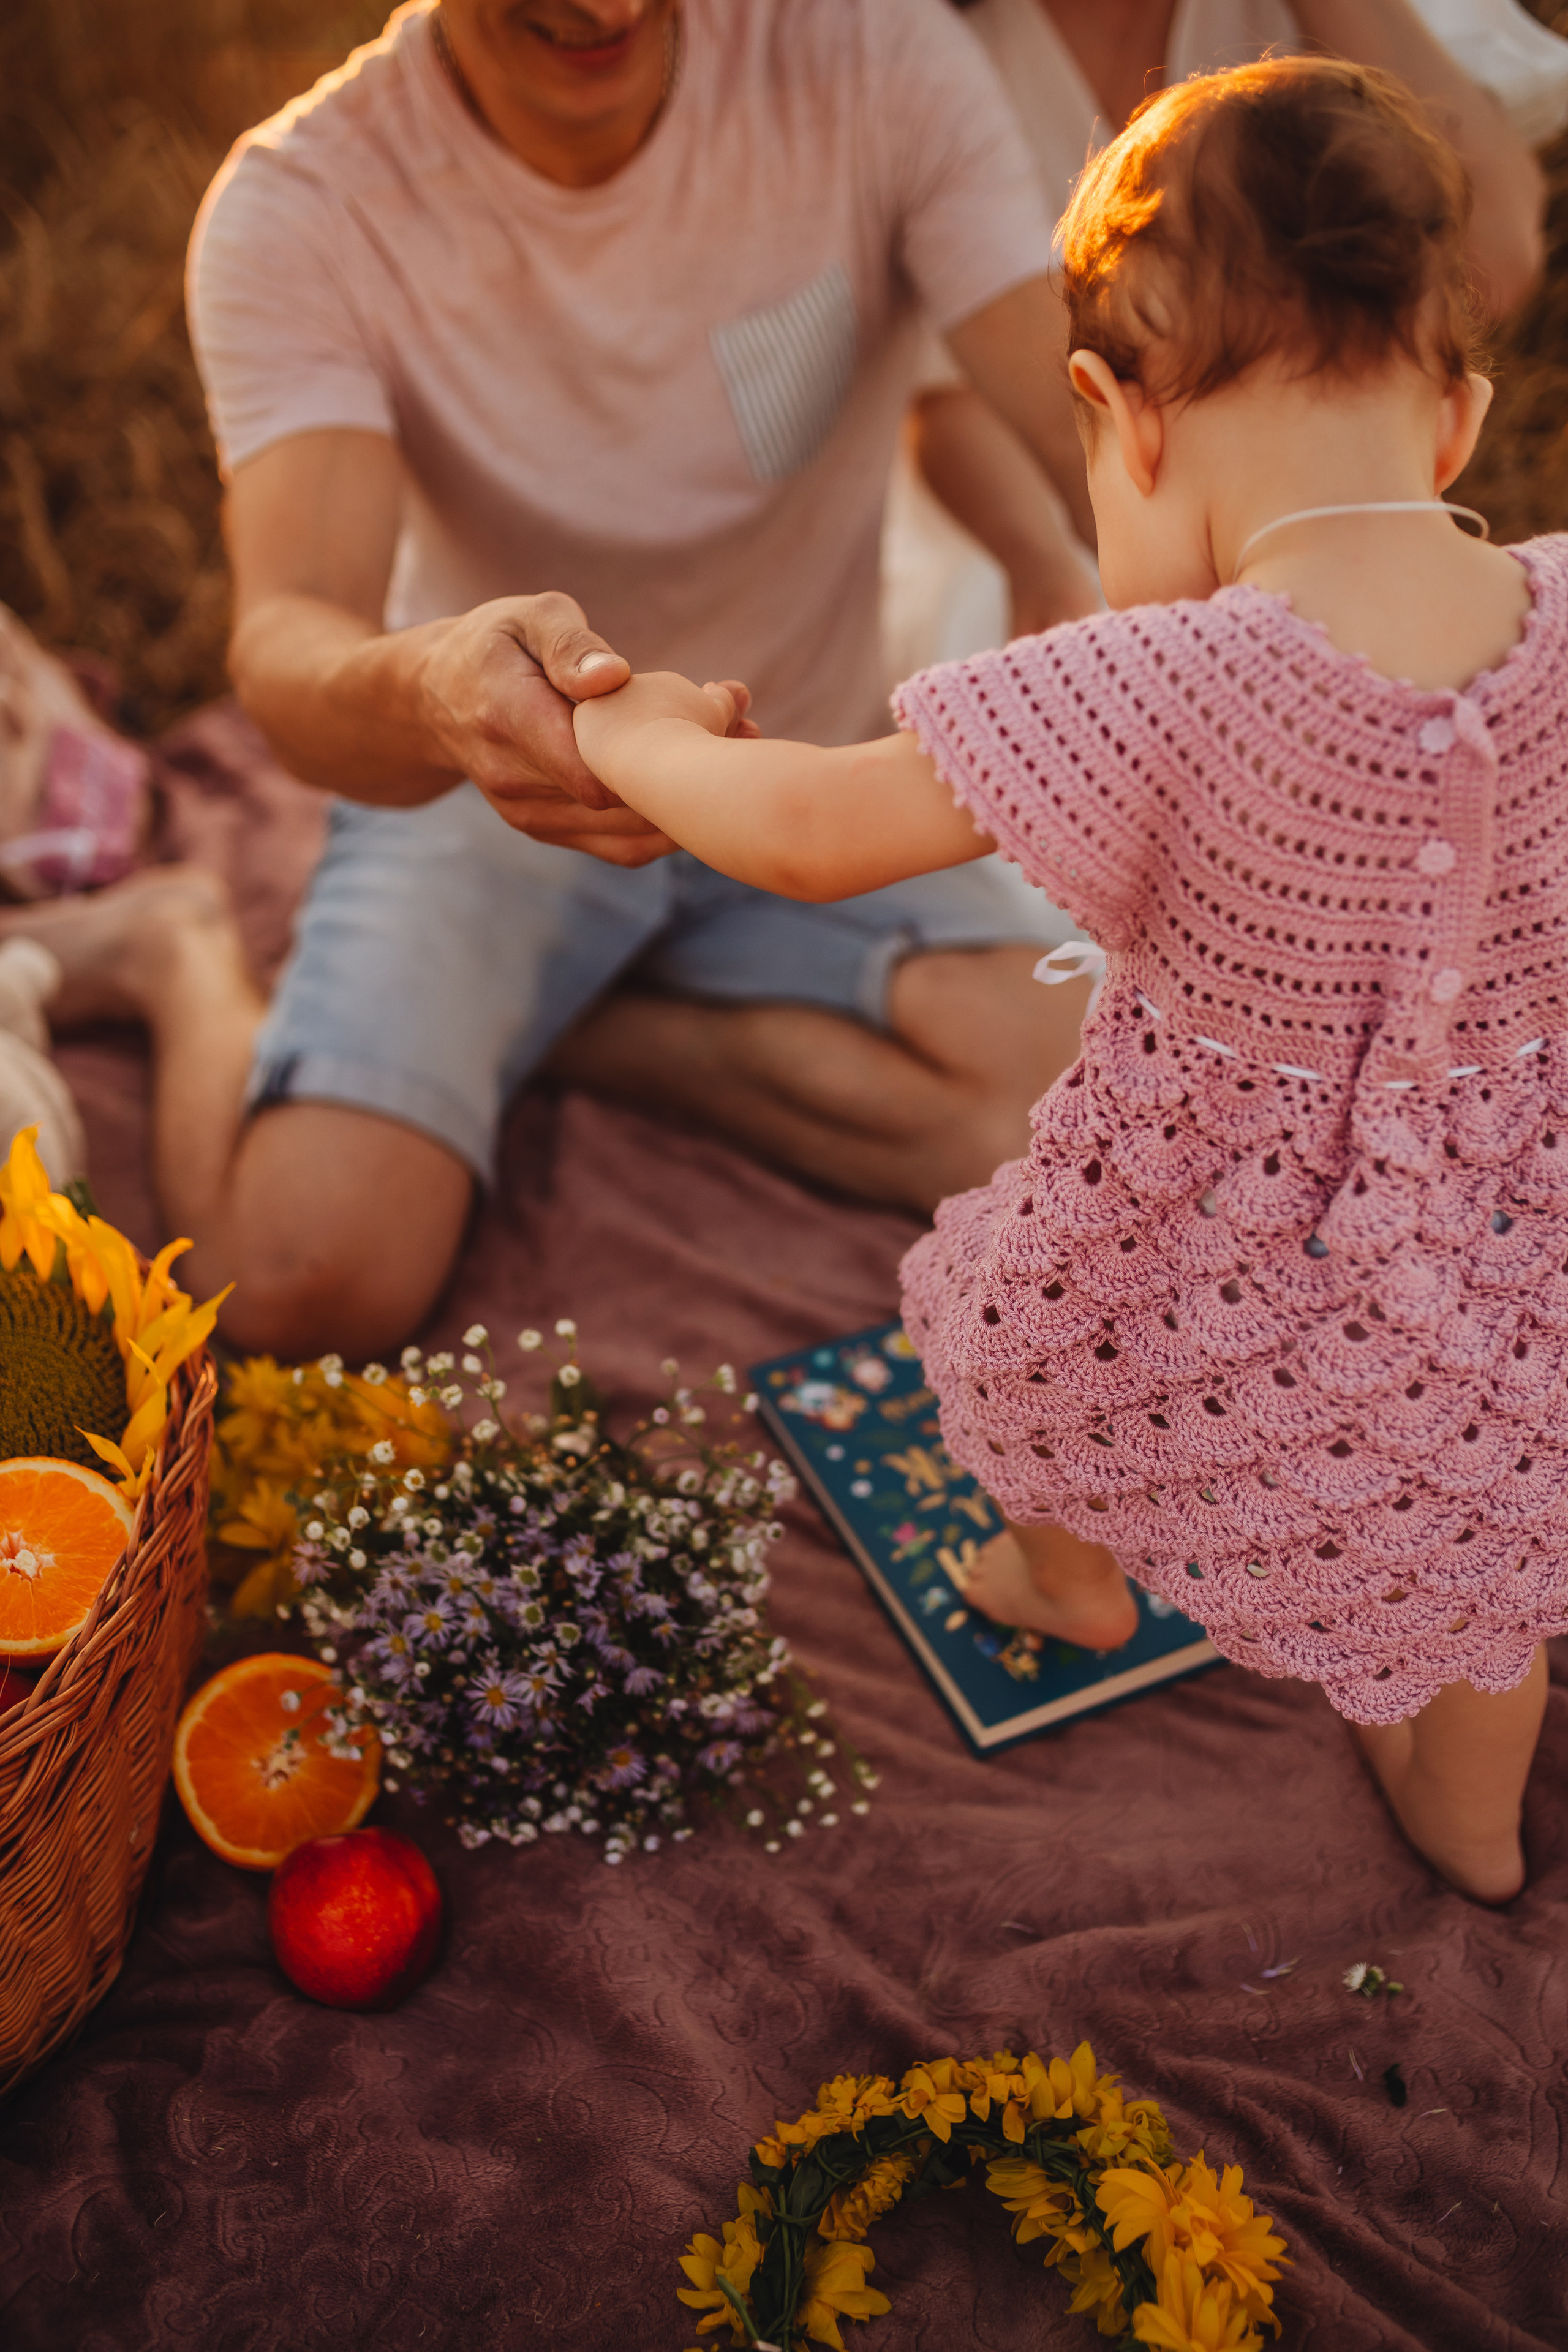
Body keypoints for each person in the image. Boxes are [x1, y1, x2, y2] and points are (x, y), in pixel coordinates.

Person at [567, 56, 1568, 1904]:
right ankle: (1470, 1817)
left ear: (1121, 417)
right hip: (1510, 1243)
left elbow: (798, 826)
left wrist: (621, 725)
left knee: (1032, 1355)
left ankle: (1066, 1574)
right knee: (1493, 1518)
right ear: (1453, 421)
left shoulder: (1160, 676)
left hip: (1194, 1226)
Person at [0, 0, 1105, 1362]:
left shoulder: (877, 58)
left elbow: (1094, 426)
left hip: (797, 779)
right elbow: (288, 635)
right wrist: (441, 691)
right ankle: (177, 947)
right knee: (294, 1286)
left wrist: (1162, 572)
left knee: (1089, 1114)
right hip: (484, 792)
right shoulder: (299, 203)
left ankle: (577, 1032)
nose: (601, 8)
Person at [887, 0, 1566, 677]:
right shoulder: (933, 51)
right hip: (1048, 532)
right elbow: (946, 404)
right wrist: (1043, 559)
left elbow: (1497, 255)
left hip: (1301, 544)